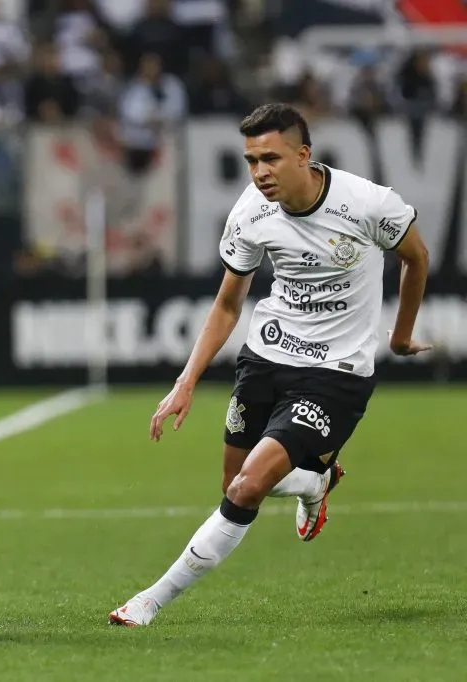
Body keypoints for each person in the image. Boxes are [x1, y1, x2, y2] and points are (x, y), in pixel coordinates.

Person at [108, 103, 432, 627]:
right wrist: (185, 382)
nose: (259, 172)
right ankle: (312, 481)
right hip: (266, 356)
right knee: (233, 485)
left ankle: (150, 600)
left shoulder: (370, 204)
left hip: (337, 374)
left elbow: (415, 258)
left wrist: (398, 337)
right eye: (251, 160)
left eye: (271, 159)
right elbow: (227, 305)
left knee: (245, 490)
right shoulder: (250, 214)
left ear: (304, 155)